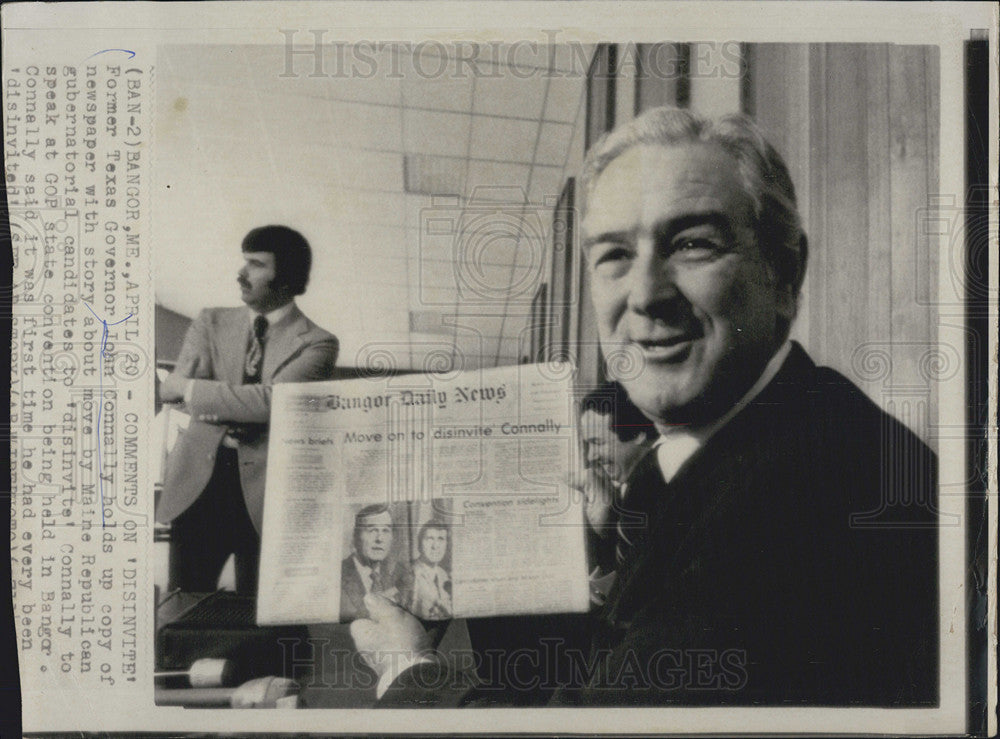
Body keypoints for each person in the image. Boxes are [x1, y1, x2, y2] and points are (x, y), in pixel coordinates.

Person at [350, 106, 939, 706]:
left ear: (784, 275)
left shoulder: (811, 493)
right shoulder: (781, 425)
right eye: (614, 255)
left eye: (692, 244)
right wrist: (618, 537)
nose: (645, 295)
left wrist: (409, 672)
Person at [156, 225, 339, 594]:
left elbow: (273, 403)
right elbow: (172, 395)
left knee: (259, 618)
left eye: (255, 264)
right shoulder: (210, 321)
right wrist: (240, 402)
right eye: (244, 262)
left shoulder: (318, 343)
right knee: (184, 611)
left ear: (286, 275)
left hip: (268, 499)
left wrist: (196, 390)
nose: (241, 274)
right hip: (199, 487)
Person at [340, 504, 413, 622]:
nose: (380, 539)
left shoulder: (402, 574)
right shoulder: (338, 574)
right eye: (372, 530)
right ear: (356, 536)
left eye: (385, 530)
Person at [409, 520, 453, 620]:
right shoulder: (409, 573)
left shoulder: (443, 575)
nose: (435, 546)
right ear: (419, 544)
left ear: (447, 544)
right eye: (429, 539)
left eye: (441, 539)